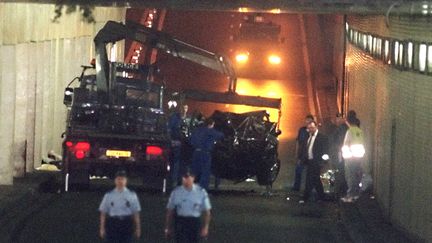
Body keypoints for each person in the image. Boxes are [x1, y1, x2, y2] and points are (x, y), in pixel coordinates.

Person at [165, 169, 212, 243]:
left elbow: (207, 212)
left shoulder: (201, 192)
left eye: (187, 177)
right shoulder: (176, 192)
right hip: (181, 222)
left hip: (194, 223)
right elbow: (170, 211)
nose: (185, 179)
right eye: (183, 177)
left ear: (193, 178)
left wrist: (205, 227)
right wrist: (168, 227)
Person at [99, 170, 141, 243]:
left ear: (126, 181)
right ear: (115, 181)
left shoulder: (132, 195)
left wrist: (138, 228)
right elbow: (103, 212)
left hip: (126, 223)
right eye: (118, 179)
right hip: (113, 224)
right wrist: (102, 228)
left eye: (122, 179)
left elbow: (136, 213)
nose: (120, 181)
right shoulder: (109, 195)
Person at [300, 121, 329, 203]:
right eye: (309, 128)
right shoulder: (308, 137)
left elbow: (325, 150)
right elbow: (305, 148)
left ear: (316, 127)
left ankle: (307, 196)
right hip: (309, 161)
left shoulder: (322, 137)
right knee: (314, 179)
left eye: (312, 128)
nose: (310, 130)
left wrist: (324, 161)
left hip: (317, 161)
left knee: (311, 178)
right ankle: (320, 196)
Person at [190, 118, 224, 190]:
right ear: (211, 124)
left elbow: (191, 141)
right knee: (205, 172)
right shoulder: (210, 131)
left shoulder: (197, 130)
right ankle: (202, 189)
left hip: (195, 153)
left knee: (194, 172)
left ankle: (190, 188)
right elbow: (220, 135)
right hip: (205, 154)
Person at [341, 114, 365, 203]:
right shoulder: (360, 131)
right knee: (356, 175)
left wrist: (344, 155)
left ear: (348, 122)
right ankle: (356, 194)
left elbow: (346, 144)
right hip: (358, 157)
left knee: (350, 176)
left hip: (350, 157)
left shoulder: (350, 131)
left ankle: (350, 196)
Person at [292, 114, 315, 191]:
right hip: (301, 154)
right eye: (307, 120)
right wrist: (296, 153)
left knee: (310, 172)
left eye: (309, 120)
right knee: (298, 170)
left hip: (310, 155)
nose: (308, 122)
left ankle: (309, 188)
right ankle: (296, 187)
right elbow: (298, 141)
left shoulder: (314, 131)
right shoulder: (302, 130)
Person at [330, 113, 349, 198]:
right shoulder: (338, 129)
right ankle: (340, 190)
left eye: (339, 119)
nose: (338, 120)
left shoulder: (342, 129)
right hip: (340, 153)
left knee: (340, 171)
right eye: (337, 119)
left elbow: (337, 141)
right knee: (340, 171)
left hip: (341, 153)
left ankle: (339, 191)